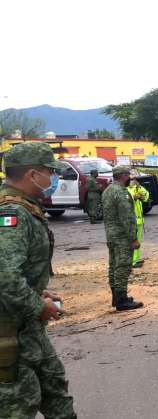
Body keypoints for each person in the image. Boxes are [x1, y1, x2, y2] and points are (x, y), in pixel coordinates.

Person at [0, 142, 77, 418]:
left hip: (28, 326)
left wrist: (39, 293)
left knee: (55, 390)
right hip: (10, 332)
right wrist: (37, 305)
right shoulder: (12, 213)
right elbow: (5, 277)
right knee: (17, 405)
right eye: (50, 172)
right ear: (33, 175)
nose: (53, 178)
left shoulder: (25, 207)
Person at [102, 166, 144, 311]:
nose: (130, 179)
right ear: (123, 176)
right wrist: (133, 238)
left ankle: (116, 296)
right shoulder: (121, 193)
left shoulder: (108, 190)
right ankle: (121, 300)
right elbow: (127, 217)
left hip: (111, 234)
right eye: (128, 176)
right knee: (123, 267)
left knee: (113, 266)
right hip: (122, 236)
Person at [128, 178, 150, 268]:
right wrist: (134, 197)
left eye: (135, 179)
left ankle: (135, 260)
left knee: (137, 241)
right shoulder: (125, 189)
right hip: (131, 220)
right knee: (132, 241)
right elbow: (126, 201)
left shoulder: (137, 188)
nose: (133, 181)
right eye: (131, 179)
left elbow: (146, 196)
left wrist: (139, 186)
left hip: (139, 220)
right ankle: (132, 261)